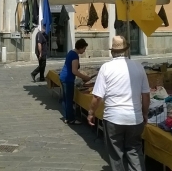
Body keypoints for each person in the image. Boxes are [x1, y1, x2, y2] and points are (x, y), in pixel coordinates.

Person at [87, 35, 150, 171]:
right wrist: (145, 113)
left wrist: (91, 113)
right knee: (134, 152)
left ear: (112, 51)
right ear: (127, 50)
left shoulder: (106, 68)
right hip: (135, 117)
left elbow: (97, 97)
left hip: (113, 119)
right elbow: (145, 95)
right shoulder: (138, 67)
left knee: (116, 155)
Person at [59, 39, 91, 125]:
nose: (84, 51)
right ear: (80, 48)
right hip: (68, 79)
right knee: (69, 100)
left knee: (65, 99)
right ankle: (71, 119)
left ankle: (66, 117)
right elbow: (74, 71)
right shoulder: (75, 56)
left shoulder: (70, 52)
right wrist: (85, 77)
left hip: (63, 77)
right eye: (84, 49)